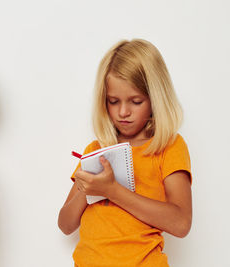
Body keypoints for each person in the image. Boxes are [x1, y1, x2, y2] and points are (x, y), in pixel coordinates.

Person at [58, 39, 192, 267]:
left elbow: (181, 223)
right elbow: (65, 224)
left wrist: (112, 191)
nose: (123, 112)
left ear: (155, 99)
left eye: (136, 101)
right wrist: (87, 188)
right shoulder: (95, 150)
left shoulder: (169, 147)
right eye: (113, 101)